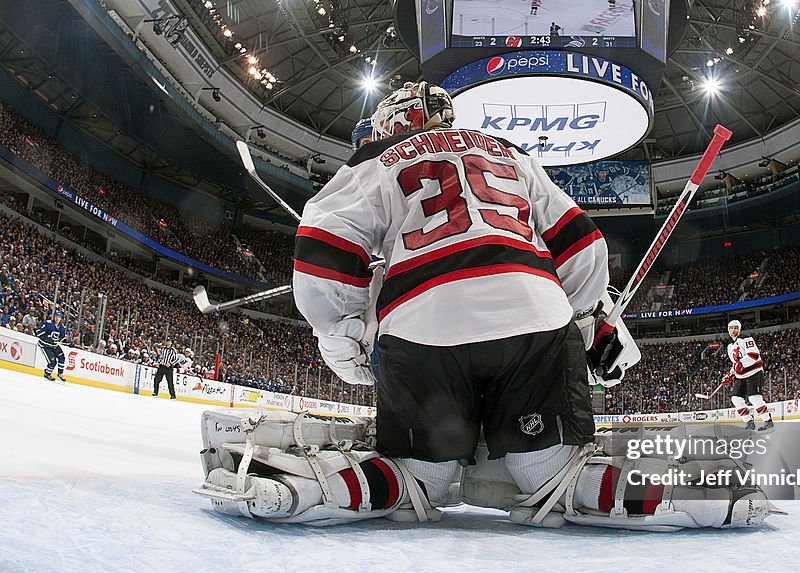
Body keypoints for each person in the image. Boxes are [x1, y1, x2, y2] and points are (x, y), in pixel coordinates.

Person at [196, 81, 767, 532]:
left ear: (395, 123)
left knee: (420, 477)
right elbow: (582, 241)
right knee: (549, 476)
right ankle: (697, 496)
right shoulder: (509, 153)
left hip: (425, 327)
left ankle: (301, 486)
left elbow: (325, 240)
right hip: (536, 317)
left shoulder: (377, 159)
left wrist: (342, 328)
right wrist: (593, 323)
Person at [722, 319, 773, 431]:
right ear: (728, 330)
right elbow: (735, 364)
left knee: (754, 398)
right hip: (741, 376)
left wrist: (740, 364)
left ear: (739, 329)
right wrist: (730, 374)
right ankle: (749, 422)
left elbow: (753, 355)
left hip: (753, 372)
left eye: (736, 327)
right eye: (731, 328)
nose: (733, 330)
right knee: (736, 398)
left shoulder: (746, 339)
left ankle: (767, 421)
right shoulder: (730, 346)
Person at [35, 310, 67, 381]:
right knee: (53, 362)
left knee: (62, 357)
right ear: (54, 317)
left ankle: (60, 374)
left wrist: (67, 342)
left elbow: (61, 339)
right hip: (45, 345)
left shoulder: (62, 328)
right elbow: (38, 332)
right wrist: (46, 338)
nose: (57, 318)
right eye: (56, 317)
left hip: (54, 345)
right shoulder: (48, 323)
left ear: (61, 318)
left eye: (59, 317)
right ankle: (47, 373)